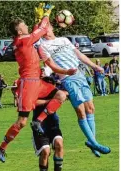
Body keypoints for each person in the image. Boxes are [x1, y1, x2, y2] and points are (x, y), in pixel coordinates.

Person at [0, 4, 77, 163]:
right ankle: (1, 148)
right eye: (23, 25)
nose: (26, 26)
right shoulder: (22, 40)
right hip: (29, 83)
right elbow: (42, 30)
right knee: (21, 121)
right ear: (19, 31)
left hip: (37, 81)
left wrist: (39, 19)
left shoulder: (24, 39)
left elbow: (37, 31)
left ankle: (37, 121)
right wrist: (46, 14)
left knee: (61, 95)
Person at [36, 22, 111, 156]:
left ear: (52, 27)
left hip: (80, 76)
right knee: (81, 112)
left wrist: (95, 66)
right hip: (67, 79)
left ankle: (93, 143)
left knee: (90, 109)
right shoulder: (43, 46)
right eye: (42, 28)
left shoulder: (64, 40)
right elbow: (51, 66)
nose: (45, 29)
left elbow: (79, 54)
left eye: (47, 26)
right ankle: (94, 143)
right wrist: (66, 71)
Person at [32, 67, 66, 171]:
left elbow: (63, 95)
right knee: (45, 152)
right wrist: (49, 101)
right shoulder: (32, 88)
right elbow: (32, 103)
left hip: (52, 123)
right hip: (39, 125)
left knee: (59, 144)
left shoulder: (52, 87)